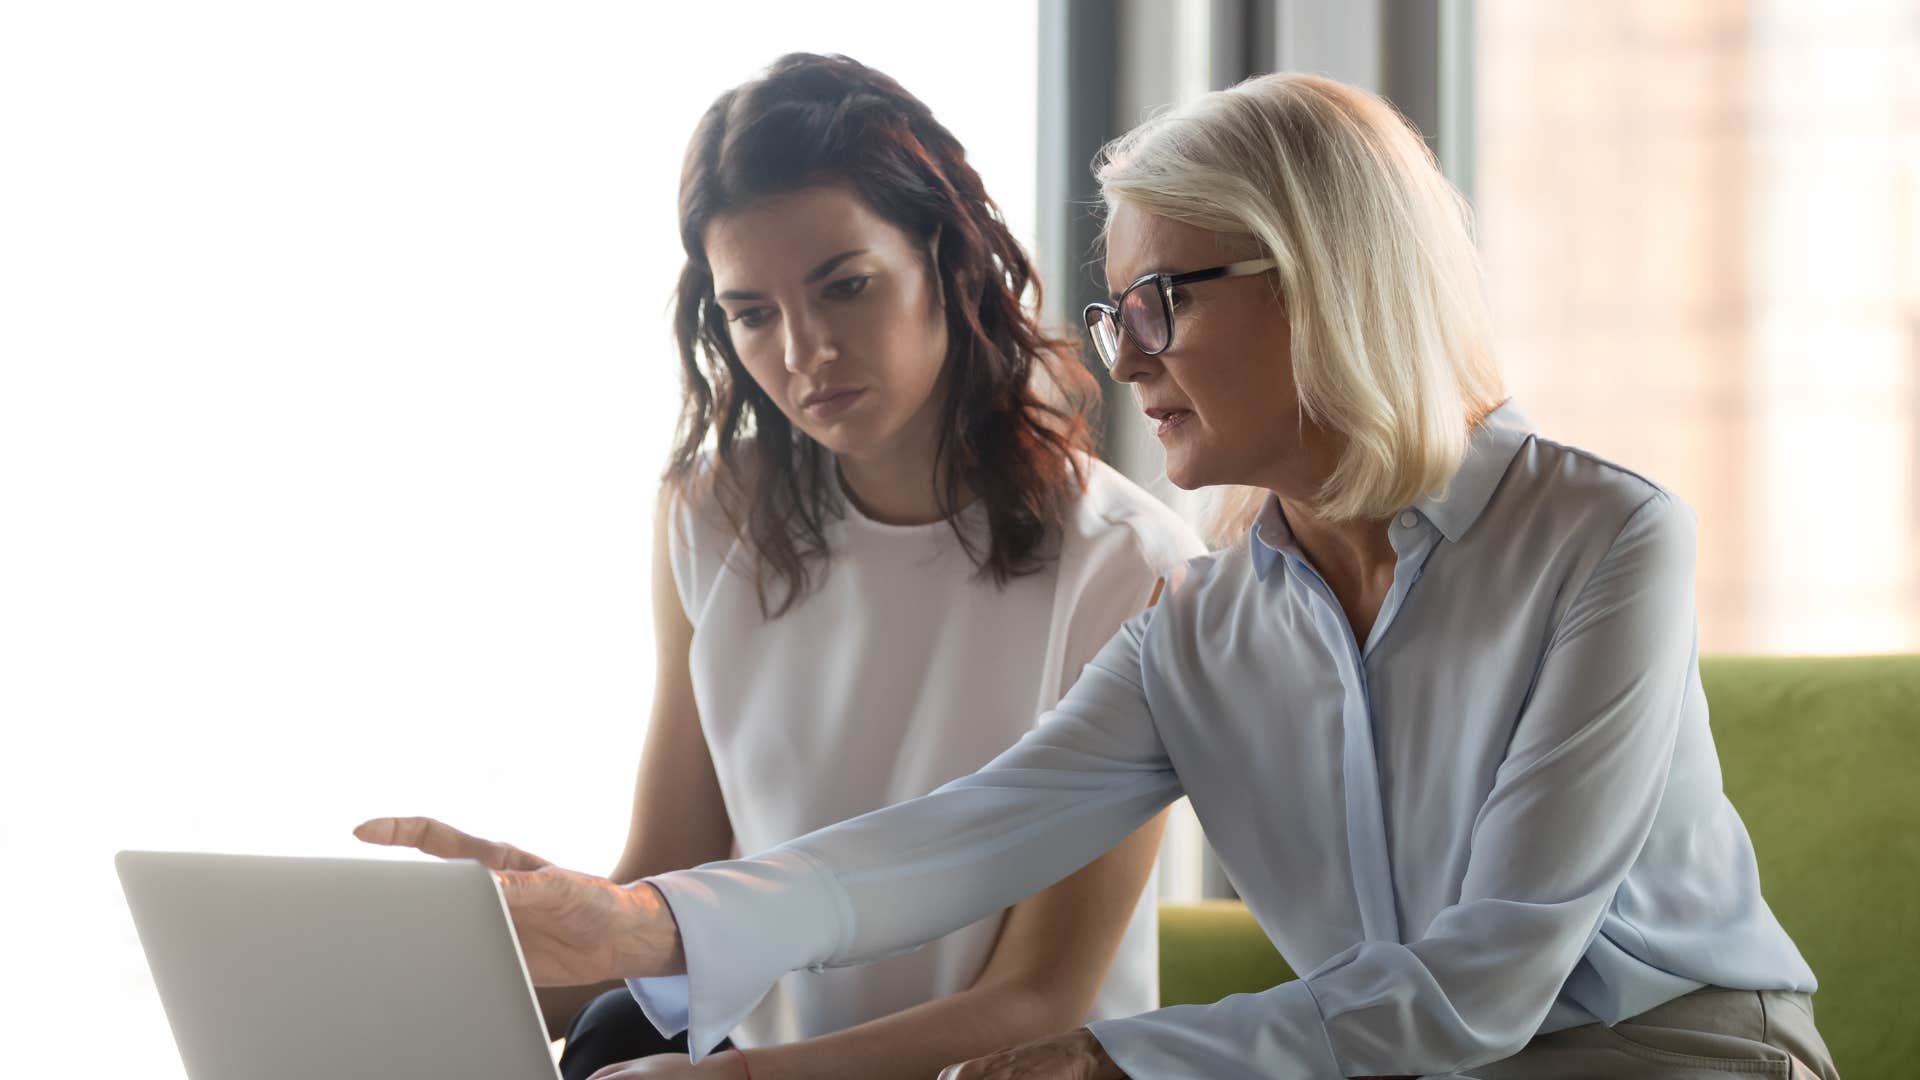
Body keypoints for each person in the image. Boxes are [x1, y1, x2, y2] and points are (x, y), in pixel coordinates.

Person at [362, 72, 1839, 1079]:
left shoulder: (1604, 541)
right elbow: (949, 839)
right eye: (1112, 304)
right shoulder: (1203, 620)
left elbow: (1484, 986)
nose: (1121, 355)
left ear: (1322, 276)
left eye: (1161, 301)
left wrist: (1115, 1059)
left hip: (1681, 1053)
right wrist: (643, 928)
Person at [358, 53, 1203, 1080]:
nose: (804, 352)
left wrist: (740, 1078)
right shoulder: (716, 516)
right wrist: (413, 990)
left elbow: (1038, 1000)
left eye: (845, 287)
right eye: (752, 313)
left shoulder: (1130, 566)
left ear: (948, 259)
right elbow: (670, 886)